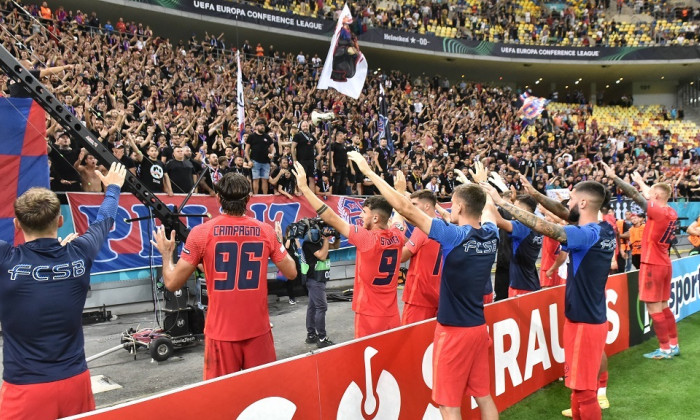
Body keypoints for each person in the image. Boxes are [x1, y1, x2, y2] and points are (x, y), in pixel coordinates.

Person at [348, 152, 499, 420]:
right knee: (483, 396)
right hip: (478, 327)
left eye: (452, 204)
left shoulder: (453, 236)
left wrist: (369, 173)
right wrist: (481, 184)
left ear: (461, 208)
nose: (450, 208)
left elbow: (407, 210)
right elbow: (488, 209)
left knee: (448, 405)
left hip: (454, 332)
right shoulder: (491, 233)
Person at [0, 162, 126, 419]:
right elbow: (104, 219)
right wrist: (112, 188)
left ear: (16, 225)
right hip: (75, 384)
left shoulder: (6, 259)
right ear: (61, 220)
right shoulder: (79, 253)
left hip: (25, 389)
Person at [483, 179, 615, 420]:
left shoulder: (585, 234)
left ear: (583, 202)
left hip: (584, 323)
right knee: (578, 387)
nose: (568, 202)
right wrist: (535, 194)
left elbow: (546, 227)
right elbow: (565, 213)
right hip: (590, 317)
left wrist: (501, 202)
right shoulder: (605, 229)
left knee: (585, 392)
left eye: (573, 198)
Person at [151, 173, 297, 379]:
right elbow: (291, 272)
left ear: (218, 199)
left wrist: (167, 256)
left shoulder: (201, 233)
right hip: (258, 332)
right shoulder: (266, 231)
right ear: (248, 199)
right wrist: (280, 242)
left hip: (220, 334)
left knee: (221, 402)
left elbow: (172, 283)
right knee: (262, 399)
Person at [292, 161, 405, 339]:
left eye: (364, 212)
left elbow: (330, 216)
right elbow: (400, 211)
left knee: (368, 363)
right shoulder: (398, 235)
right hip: (392, 314)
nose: (360, 215)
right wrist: (400, 192)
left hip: (369, 316)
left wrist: (305, 189)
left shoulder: (367, 239)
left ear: (375, 218)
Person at [603, 163, 680, 359]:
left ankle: (664, 349)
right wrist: (641, 182)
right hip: (664, 262)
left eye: (650, 193)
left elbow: (637, 196)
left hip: (651, 264)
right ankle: (673, 344)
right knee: (664, 306)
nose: (647, 194)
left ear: (655, 198)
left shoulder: (658, 212)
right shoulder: (670, 212)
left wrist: (615, 178)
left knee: (654, 308)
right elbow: (648, 194)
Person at [400, 190, 442, 325]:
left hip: (418, 296)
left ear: (427, 206)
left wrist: (396, 233)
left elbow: (402, 256)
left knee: (409, 341)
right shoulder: (444, 225)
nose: (411, 208)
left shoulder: (422, 229)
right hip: (438, 294)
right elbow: (420, 246)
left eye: (414, 204)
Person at [491, 194, 543, 297]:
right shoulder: (538, 224)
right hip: (529, 281)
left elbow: (499, 221)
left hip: (521, 287)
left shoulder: (523, 226)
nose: (512, 209)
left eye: (514, 206)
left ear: (523, 209)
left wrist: (489, 198)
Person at [301, 223, 336, 347]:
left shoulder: (319, 242)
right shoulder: (309, 243)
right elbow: (322, 256)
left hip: (318, 279)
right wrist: (326, 239)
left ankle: (311, 335)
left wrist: (336, 236)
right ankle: (322, 338)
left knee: (312, 307)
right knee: (321, 307)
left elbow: (336, 246)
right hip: (314, 279)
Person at [245, 119, 275, 194]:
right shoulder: (251, 136)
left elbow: (273, 148)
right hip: (255, 161)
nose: (263, 127)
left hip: (266, 162)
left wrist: (272, 154)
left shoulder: (267, 136)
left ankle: (265, 196)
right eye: (261, 125)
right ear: (256, 127)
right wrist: (249, 160)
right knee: (256, 179)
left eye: (263, 126)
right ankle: (255, 196)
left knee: (265, 180)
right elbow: (246, 150)